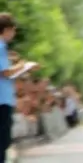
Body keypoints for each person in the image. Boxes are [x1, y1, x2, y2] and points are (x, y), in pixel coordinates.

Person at [0, 14, 38, 163]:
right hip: (2, 100)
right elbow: (5, 72)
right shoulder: (1, 46)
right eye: (13, 31)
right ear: (7, 30)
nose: (13, 34)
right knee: (2, 141)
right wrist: (24, 66)